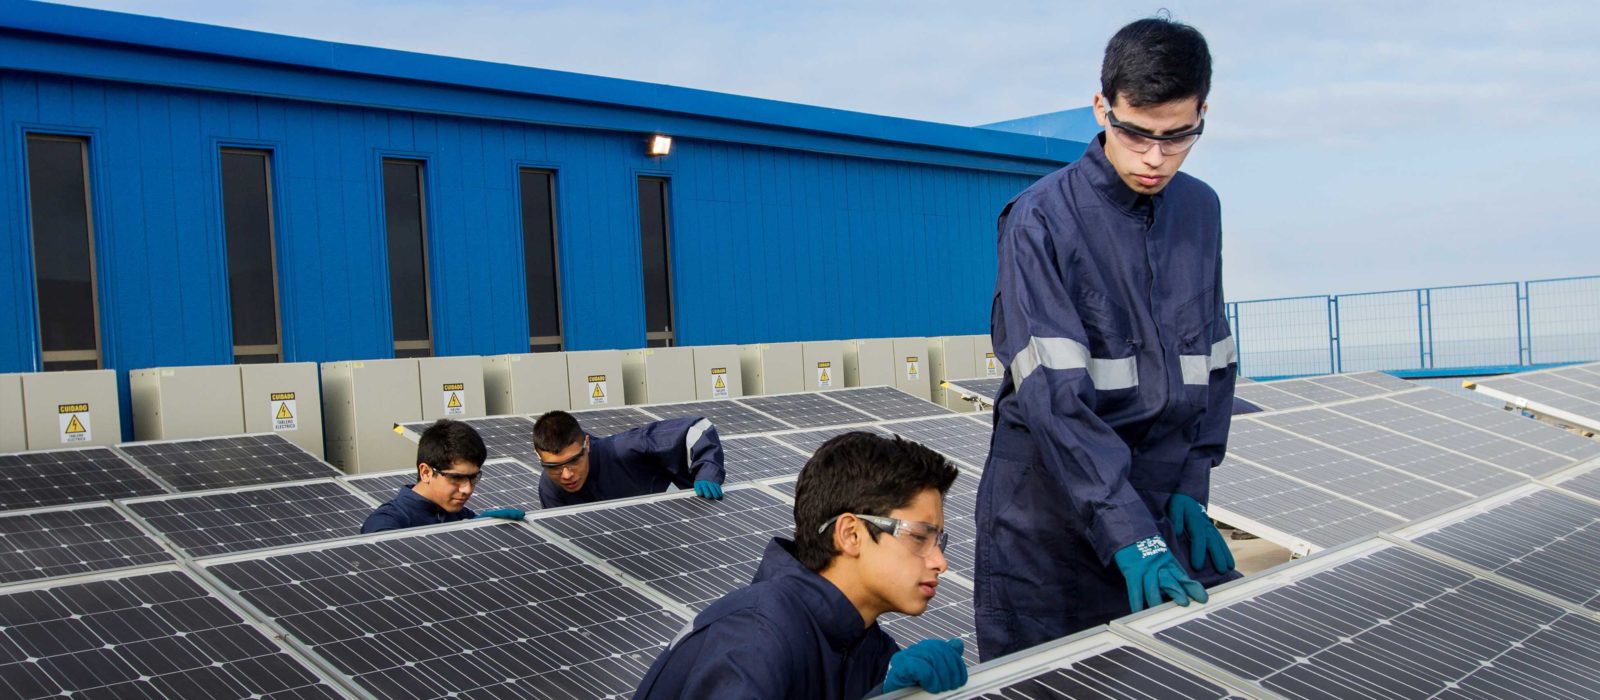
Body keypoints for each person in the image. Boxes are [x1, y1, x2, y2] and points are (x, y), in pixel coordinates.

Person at [974, 16, 1240, 661]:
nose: (1155, 157)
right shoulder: (1041, 218)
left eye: (1178, 137)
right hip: (1049, 521)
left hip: (1151, 498)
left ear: (1203, 113)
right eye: (1136, 133)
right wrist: (1128, 530)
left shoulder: (1200, 210)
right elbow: (1052, 397)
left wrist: (1191, 482)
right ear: (1102, 108)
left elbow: (1211, 359)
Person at [633, 432, 968, 699]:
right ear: (850, 534)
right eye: (920, 537)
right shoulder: (754, 640)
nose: (940, 561)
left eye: (939, 540)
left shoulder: (866, 647)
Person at [359, 419, 528, 533]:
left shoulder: (461, 516)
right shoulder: (385, 523)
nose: (467, 489)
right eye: (456, 478)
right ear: (425, 472)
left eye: (473, 478)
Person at [534, 410, 726, 508]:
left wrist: (708, 472)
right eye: (554, 467)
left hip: (683, 524)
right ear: (538, 456)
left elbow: (699, 428)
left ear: (587, 444)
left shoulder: (625, 449)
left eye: (574, 460)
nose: (566, 475)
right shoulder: (550, 487)